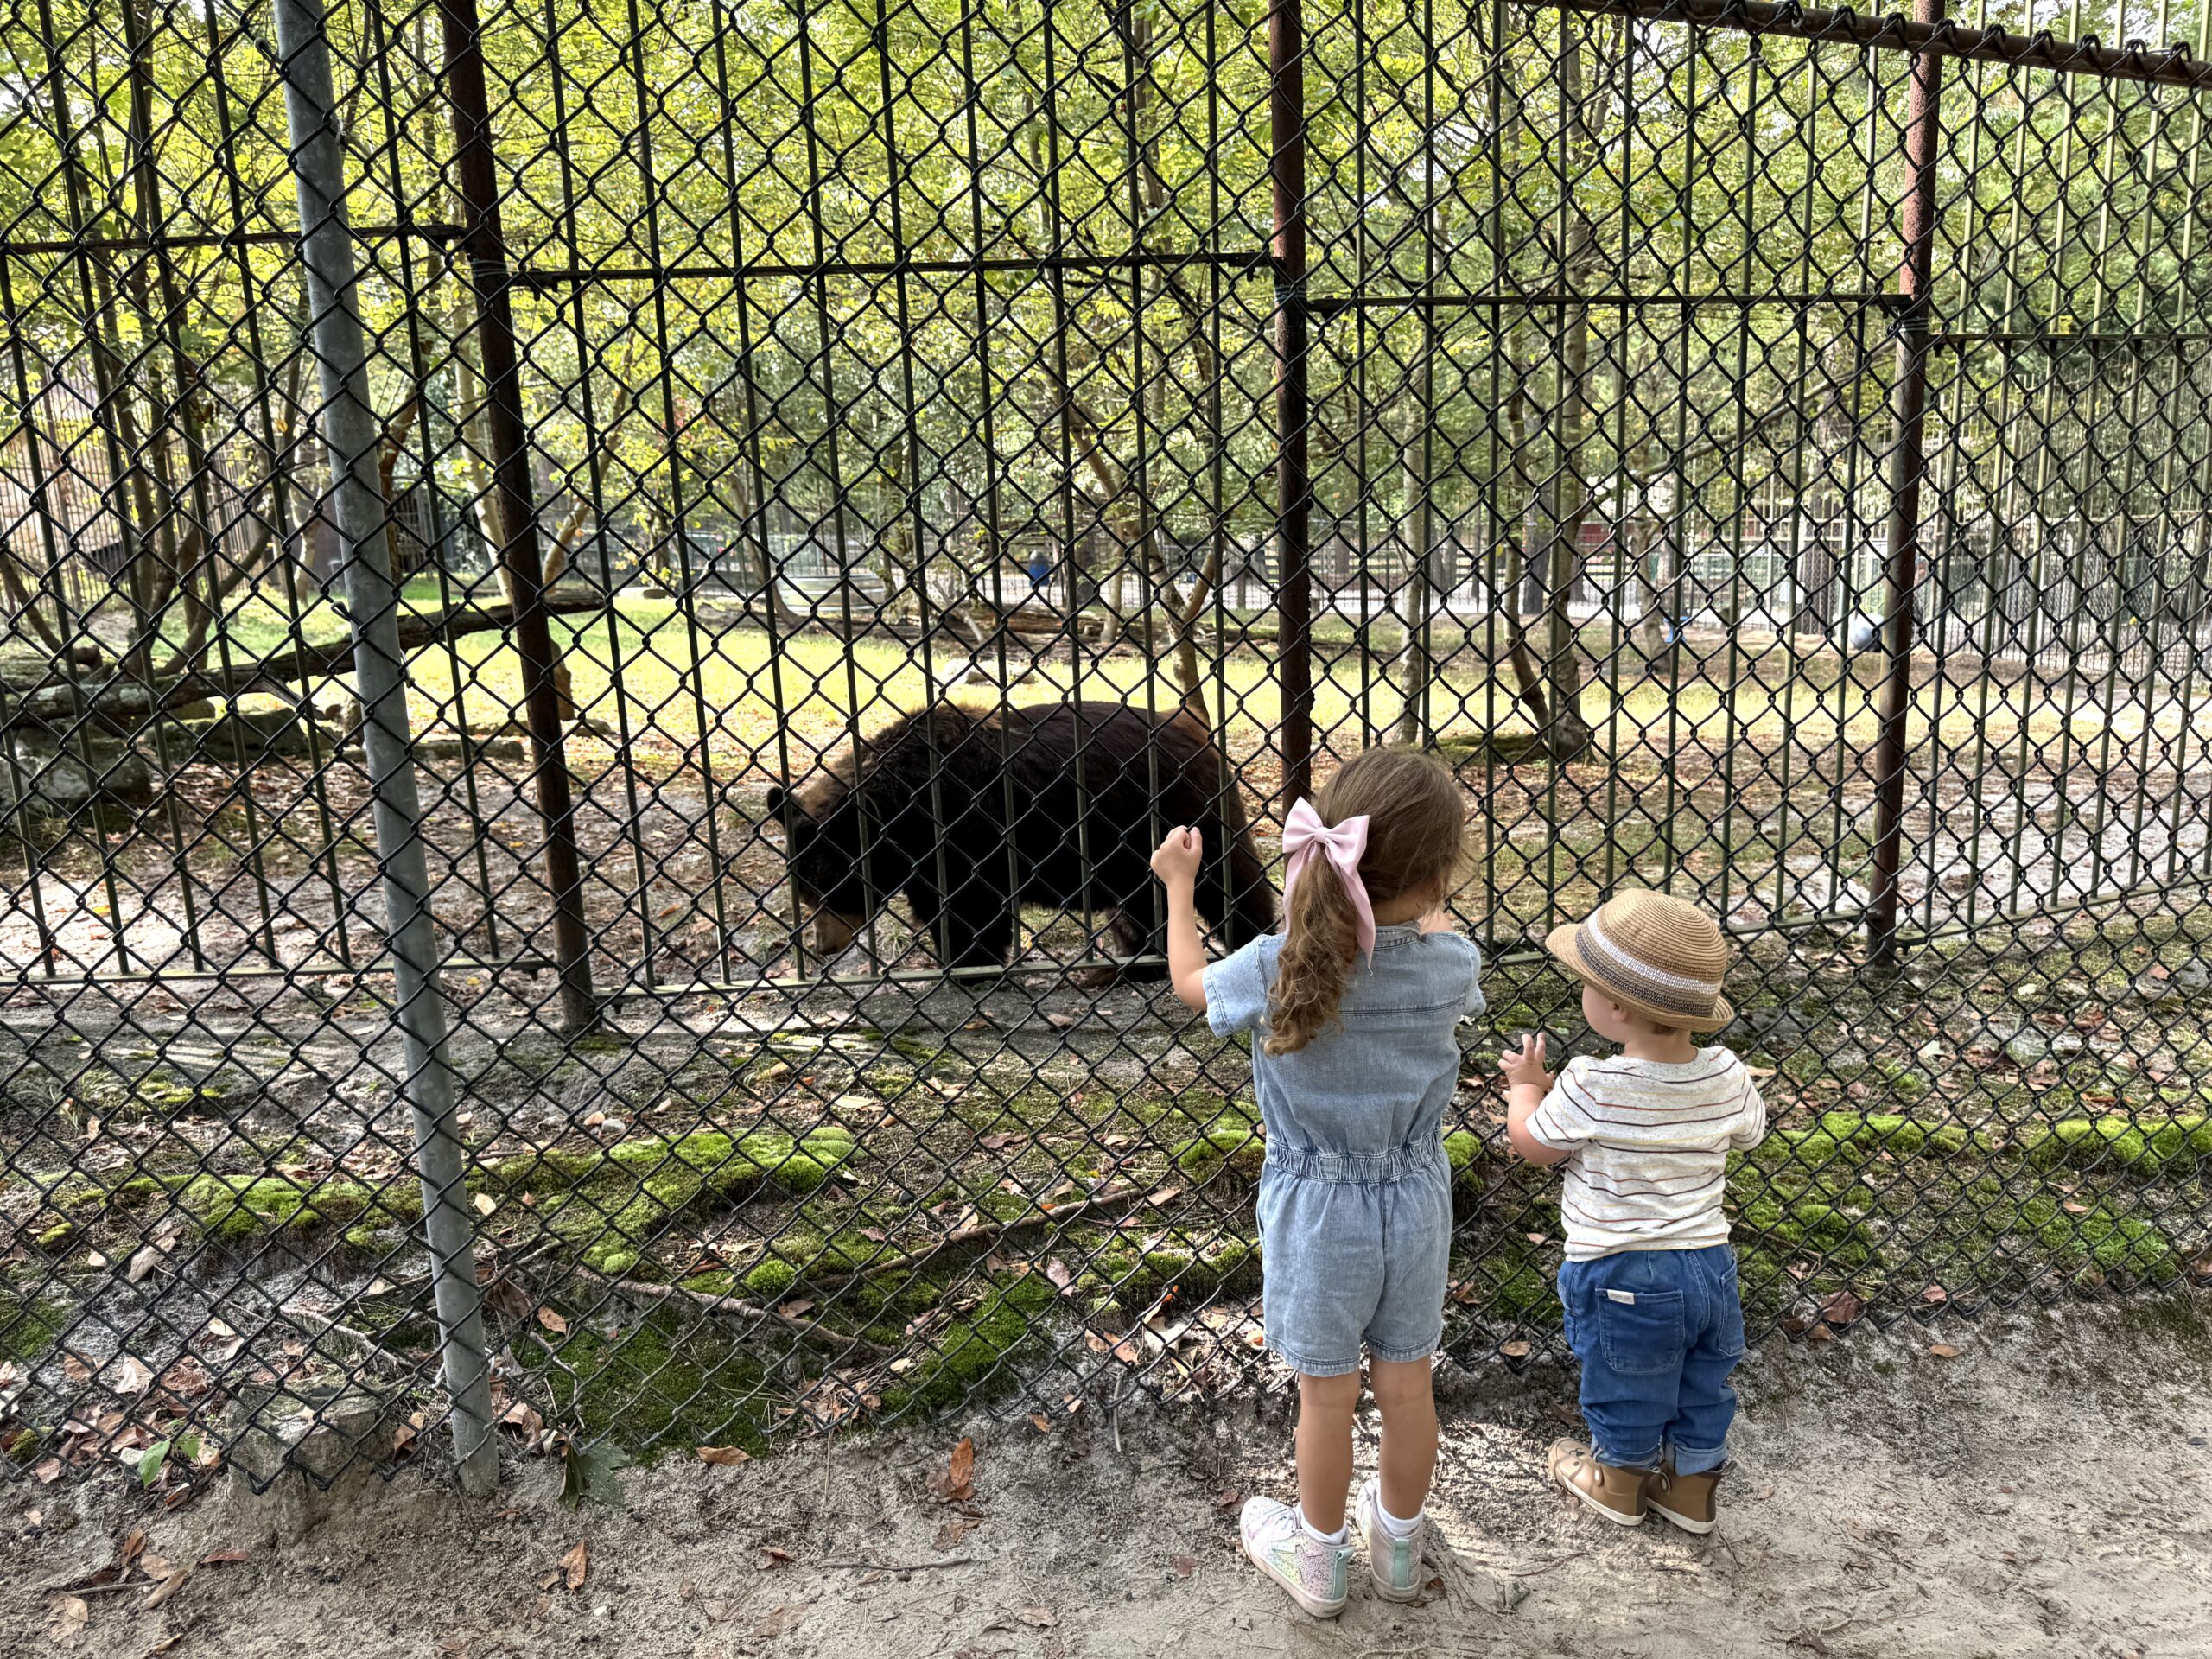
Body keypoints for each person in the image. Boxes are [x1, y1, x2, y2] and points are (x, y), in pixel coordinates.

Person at [1147, 748, 1484, 1617]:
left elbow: (1189, 983)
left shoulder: (1277, 963)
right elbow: (1431, 937)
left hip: (1316, 1211)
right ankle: (1400, 1553)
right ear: (1440, 873)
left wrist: (1179, 887)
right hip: (1414, 1200)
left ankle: (1320, 1562)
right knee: (1409, 1384)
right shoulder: (1451, 965)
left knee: (1324, 1397)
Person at [1498, 890, 1765, 1535]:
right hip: (1708, 1266)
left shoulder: (1593, 1083)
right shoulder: (1727, 1071)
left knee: (1627, 1380)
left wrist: (1526, 1088)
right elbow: (1750, 1132)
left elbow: (1534, 1145)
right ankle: (1692, 1490)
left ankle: (1618, 1482)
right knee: (1705, 1381)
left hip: (1622, 1272)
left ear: (1614, 1007)